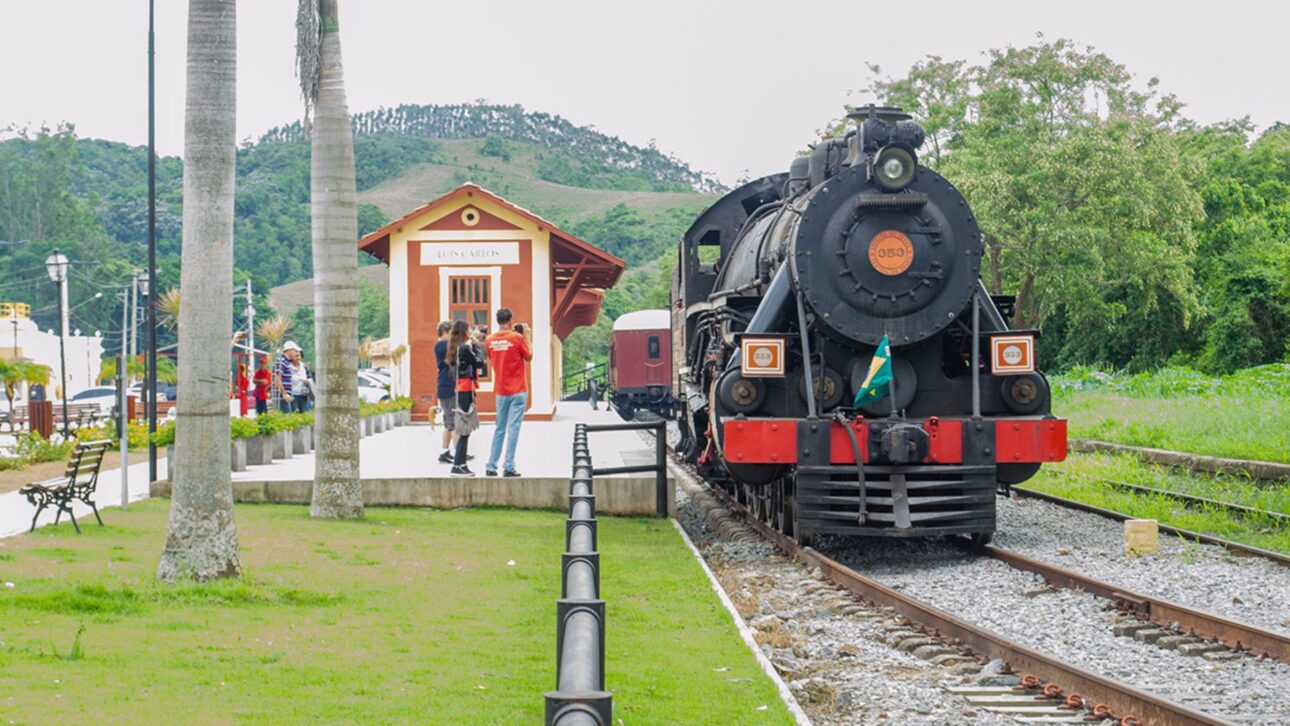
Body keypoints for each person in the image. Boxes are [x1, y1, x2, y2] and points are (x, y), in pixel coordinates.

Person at [484, 307, 532, 477]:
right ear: (511, 320)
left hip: (501, 390)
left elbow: (492, 359)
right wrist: (527, 336)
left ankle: (491, 465)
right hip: (518, 389)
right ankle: (509, 466)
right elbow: (529, 356)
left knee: (499, 429)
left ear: (498, 321)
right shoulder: (517, 338)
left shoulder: (489, 340)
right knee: (513, 429)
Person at [447, 320, 484, 477]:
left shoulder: (455, 348)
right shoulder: (464, 348)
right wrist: (476, 346)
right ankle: (459, 465)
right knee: (465, 429)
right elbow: (479, 363)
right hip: (466, 390)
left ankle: (460, 464)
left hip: (461, 389)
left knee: (464, 429)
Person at [432, 321, 456, 463]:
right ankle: (460, 454)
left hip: (445, 387)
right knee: (453, 423)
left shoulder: (440, 345)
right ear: (445, 332)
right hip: (448, 387)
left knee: (448, 422)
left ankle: (445, 452)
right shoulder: (442, 345)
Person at [275, 341, 309, 413]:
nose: (296, 353)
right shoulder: (281, 361)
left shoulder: (286, 361)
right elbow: (277, 378)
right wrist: (284, 394)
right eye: (294, 351)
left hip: (288, 395)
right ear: (289, 350)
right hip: (283, 396)